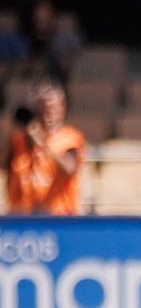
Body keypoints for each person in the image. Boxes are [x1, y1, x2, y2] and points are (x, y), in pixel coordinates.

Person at [6, 83, 85, 216]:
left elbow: (69, 168)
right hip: (22, 218)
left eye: (51, 109)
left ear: (62, 109)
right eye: (42, 109)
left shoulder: (70, 138)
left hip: (58, 218)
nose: (47, 114)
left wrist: (42, 142)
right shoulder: (18, 140)